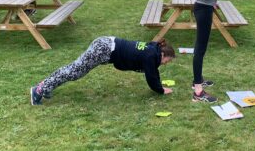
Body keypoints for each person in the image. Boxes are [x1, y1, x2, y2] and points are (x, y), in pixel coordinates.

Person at [30, 37, 175, 105]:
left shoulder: (153, 50)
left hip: (105, 44)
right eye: (167, 61)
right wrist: (161, 90)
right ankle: (38, 90)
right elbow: (151, 76)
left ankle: (46, 86)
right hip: (104, 49)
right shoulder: (151, 56)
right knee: (74, 71)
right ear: (163, 54)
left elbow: (153, 71)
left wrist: (160, 86)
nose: (165, 64)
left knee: (73, 70)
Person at [192, 0, 231, 103]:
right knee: (200, 49)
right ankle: (197, 90)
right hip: (202, 9)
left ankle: (198, 79)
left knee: (201, 47)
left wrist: (213, 0)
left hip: (205, 7)